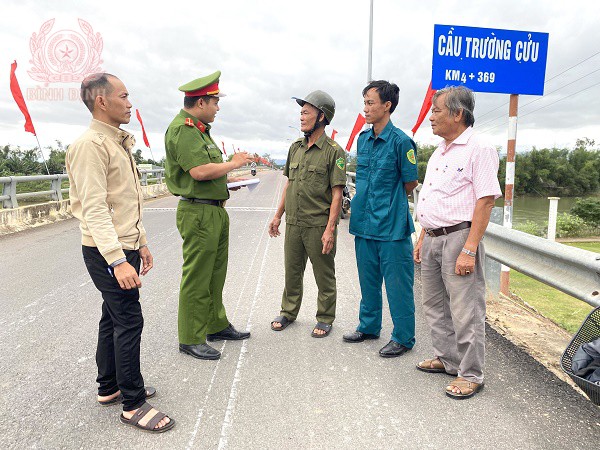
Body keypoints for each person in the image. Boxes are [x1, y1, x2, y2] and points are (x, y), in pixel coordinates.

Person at [66, 73, 174, 432]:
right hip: (104, 250)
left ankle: (109, 386)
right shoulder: (91, 145)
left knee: (112, 316)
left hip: (123, 245)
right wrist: (116, 260)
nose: (130, 103)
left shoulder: (117, 142)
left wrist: (140, 242)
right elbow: (94, 209)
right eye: (124, 96)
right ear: (101, 101)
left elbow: (125, 202)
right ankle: (133, 403)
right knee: (129, 318)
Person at [413, 85, 502, 399]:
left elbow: (486, 201)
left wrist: (469, 249)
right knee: (434, 306)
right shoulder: (441, 149)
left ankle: (471, 374)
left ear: (458, 114)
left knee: (465, 311)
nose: (431, 117)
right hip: (434, 238)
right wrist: (423, 236)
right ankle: (448, 359)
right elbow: (433, 196)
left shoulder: (479, 148)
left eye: (437, 111)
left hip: (459, 238)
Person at [165, 70, 253, 361]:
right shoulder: (183, 130)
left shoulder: (201, 131)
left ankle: (215, 324)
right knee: (197, 276)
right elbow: (199, 171)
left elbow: (208, 175)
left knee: (215, 274)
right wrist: (233, 163)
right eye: (215, 102)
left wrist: (229, 181)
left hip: (214, 210)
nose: (218, 107)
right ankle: (190, 337)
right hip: (198, 213)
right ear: (201, 102)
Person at [342, 80, 419, 358]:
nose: (366, 108)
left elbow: (410, 182)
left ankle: (403, 337)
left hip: (392, 226)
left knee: (398, 286)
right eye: (364, 102)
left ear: (387, 106)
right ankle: (369, 326)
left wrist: (387, 203)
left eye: (370, 102)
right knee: (368, 280)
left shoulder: (401, 141)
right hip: (363, 223)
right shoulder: (363, 139)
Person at [269, 90, 346, 337]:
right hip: (293, 222)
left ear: (321, 116)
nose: (301, 117)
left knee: (324, 275)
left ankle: (325, 317)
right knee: (292, 272)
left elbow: (337, 194)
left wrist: (330, 230)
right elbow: (289, 185)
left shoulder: (334, 151)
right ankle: (288, 312)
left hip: (317, 224)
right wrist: (278, 215)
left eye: (306, 112)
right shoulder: (296, 148)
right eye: (300, 112)